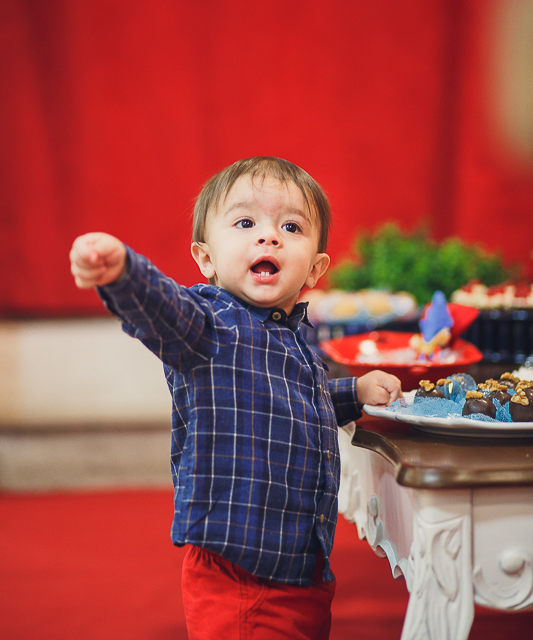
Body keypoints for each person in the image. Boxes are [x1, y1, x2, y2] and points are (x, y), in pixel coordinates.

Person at [69, 156, 402, 640]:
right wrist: (122, 272)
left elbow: (297, 403)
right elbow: (161, 307)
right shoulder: (207, 327)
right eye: (245, 223)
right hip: (239, 572)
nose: (268, 237)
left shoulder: (296, 339)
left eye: (291, 227)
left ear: (315, 268)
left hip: (301, 565)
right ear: (206, 259)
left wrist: (354, 392)